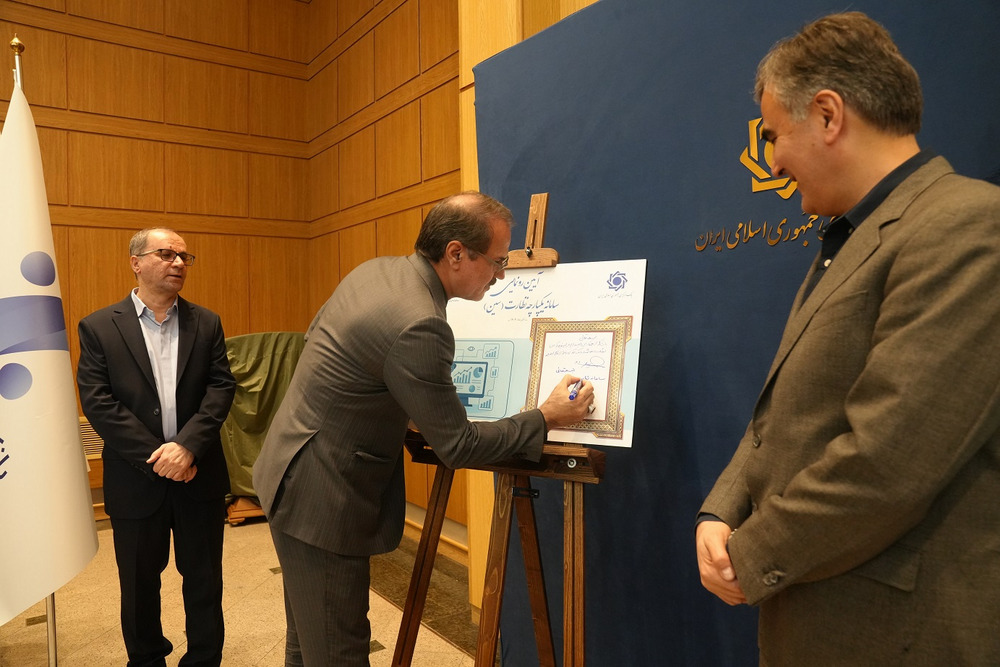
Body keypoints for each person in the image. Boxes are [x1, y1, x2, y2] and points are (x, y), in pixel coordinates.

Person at [696, 11, 1000, 665]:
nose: (773, 160)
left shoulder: (968, 226)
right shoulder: (855, 236)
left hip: (891, 634)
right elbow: (785, 413)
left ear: (829, 115)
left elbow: (889, 461)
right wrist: (722, 509)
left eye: (774, 135)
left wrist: (752, 553)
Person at [253, 191, 595, 665]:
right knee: (335, 651)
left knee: (308, 643)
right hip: (322, 501)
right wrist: (546, 417)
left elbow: (325, 345)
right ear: (455, 253)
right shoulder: (420, 323)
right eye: (497, 262)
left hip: (290, 470)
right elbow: (459, 445)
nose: (501, 276)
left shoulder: (377, 271)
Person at [78, 228, 235, 667]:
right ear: (136, 262)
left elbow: (221, 388)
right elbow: (98, 401)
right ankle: (146, 659)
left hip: (198, 475)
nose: (178, 263)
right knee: (139, 585)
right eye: (166, 254)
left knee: (204, 581)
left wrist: (187, 447)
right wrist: (160, 458)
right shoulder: (98, 326)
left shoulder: (207, 322)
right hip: (135, 479)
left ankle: (204, 659)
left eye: (184, 257)